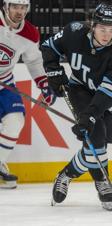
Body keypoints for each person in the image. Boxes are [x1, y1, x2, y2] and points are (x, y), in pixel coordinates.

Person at [40, 2, 112, 211]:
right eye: (102, 28)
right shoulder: (74, 33)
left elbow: (108, 93)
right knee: (97, 136)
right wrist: (53, 71)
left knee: (98, 144)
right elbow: (48, 47)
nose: (107, 34)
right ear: (93, 25)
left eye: (111, 29)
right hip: (80, 90)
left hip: (111, 101)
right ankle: (103, 181)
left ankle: (66, 174)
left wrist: (89, 116)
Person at [0, 0, 55, 189]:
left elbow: (33, 62)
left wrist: (44, 85)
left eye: (23, 7)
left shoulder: (30, 33)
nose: (19, 11)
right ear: (6, 7)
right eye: (15, 6)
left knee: (15, 121)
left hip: (4, 83)